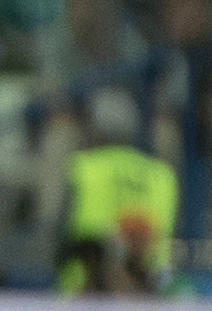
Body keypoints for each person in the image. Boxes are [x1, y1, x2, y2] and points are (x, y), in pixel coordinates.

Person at [57, 89, 178, 296]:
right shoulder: (162, 175)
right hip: (148, 293)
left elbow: (60, 233)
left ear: (97, 129)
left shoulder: (83, 168)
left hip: (81, 292)